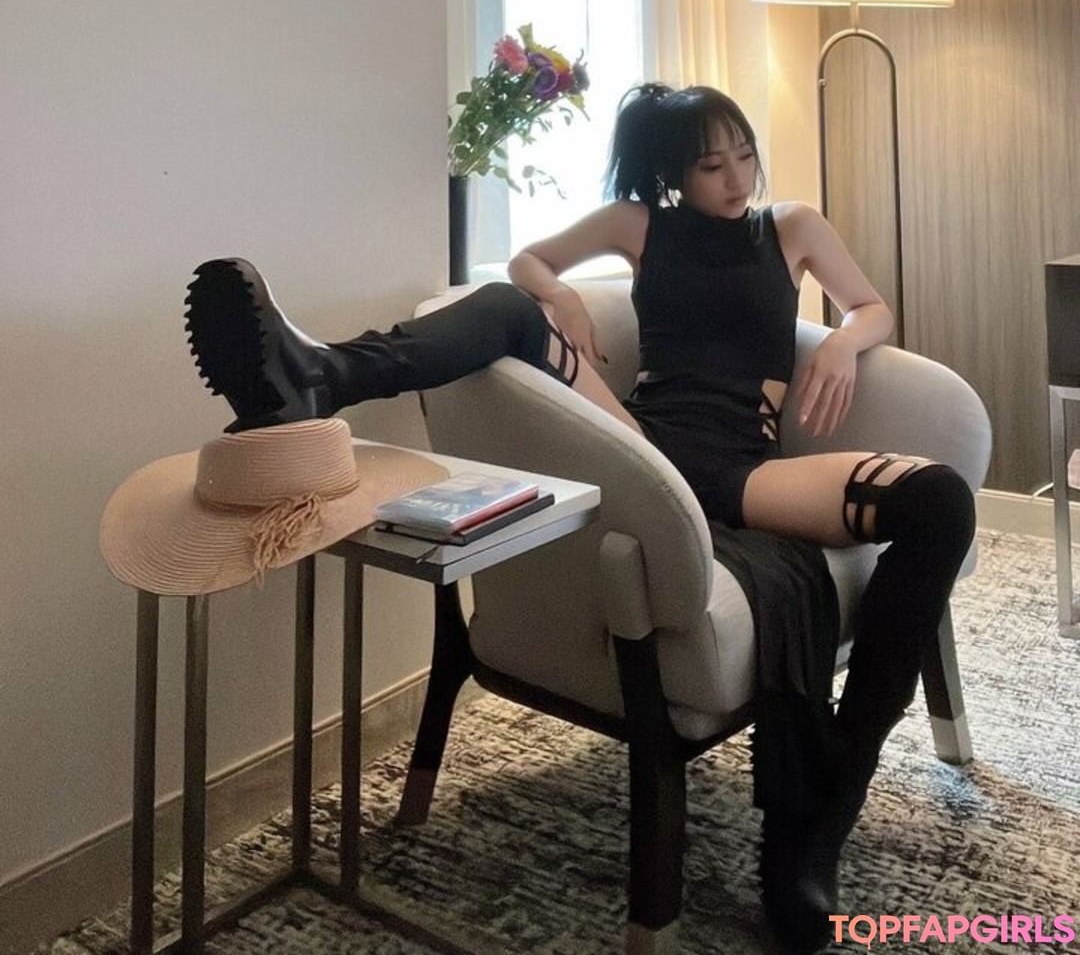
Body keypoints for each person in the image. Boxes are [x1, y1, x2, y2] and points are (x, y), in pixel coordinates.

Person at [184, 82, 974, 954]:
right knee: (504, 309)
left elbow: (871, 305)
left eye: (744, 155)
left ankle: (834, 792)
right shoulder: (639, 224)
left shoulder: (792, 228)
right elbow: (530, 262)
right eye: (711, 165)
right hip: (645, 445)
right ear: (673, 174)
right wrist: (555, 297)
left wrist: (844, 339)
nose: (735, 177)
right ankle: (321, 376)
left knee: (939, 501)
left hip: (746, 469)